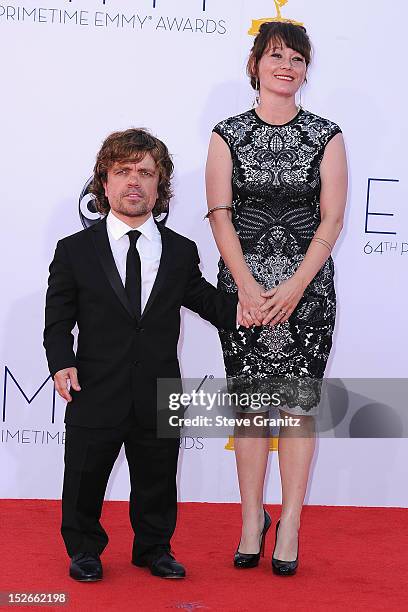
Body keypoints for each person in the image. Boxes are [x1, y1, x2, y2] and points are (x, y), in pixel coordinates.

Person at [43, 128, 241, 582]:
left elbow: (208, 303)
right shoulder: (74, 251)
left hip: (160, 386)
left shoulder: (180, 251)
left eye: (146, 173)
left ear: (160, 185)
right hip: (95, 385)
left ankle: (154, 549)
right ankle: (85, 550)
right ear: (104, 183)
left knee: (158, 477)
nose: (135, 181)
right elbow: (58, 318)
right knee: (85, 477)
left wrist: (258, 307)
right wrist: (61, 361)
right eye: (124, 171)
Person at [205, 22, 348, 575]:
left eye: (296, 57)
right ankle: (249, 520)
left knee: (295, 409)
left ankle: (288, 522)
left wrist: (295, 286)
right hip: (243, 292)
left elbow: (331, 219)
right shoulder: (228, 134)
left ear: (306, 70)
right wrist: (246, 284)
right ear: (256, 64)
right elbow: (220, 214)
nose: (286, 65)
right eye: (275, 55)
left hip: (306, 293)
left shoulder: (325, 134)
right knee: (250, 408)